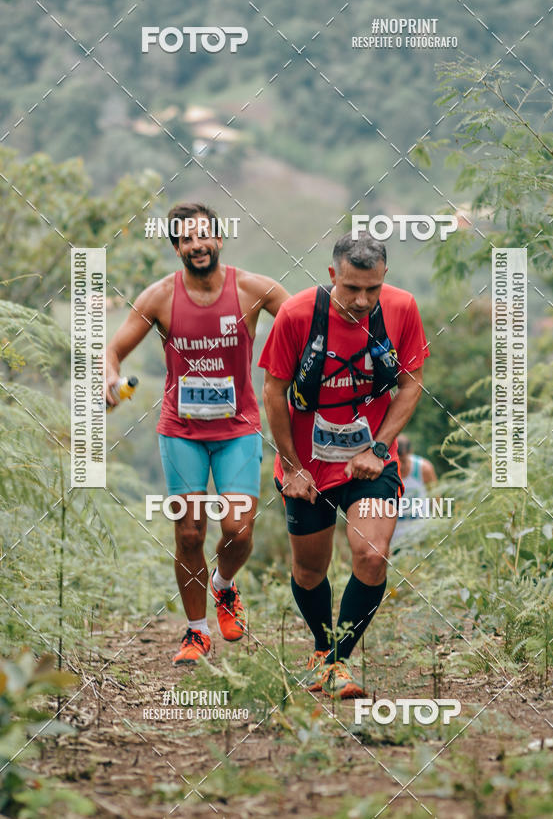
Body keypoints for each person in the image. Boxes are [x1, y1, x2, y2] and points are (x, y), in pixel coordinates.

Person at [106, 203, 289, 665]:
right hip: (181, 431)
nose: (197, 245)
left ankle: (224, 588)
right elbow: (114, 349)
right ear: (176, 247)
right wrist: (110, 379)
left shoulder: (252, 289)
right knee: (189, 534)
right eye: (186, 239)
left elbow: (302, 321)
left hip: (238, 429)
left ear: (219, 239)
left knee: (238, 530)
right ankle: (196, 631)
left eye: (203, 236)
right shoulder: (159, 298)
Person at [259, 231, 429, 698]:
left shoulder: (401, 309)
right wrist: (292, 466)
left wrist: (379, 448)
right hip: (308, 464)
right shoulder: (298, 315)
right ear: (333, 275)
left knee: (372, 556)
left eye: (372, 289)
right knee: (310, 569)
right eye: (352, 288)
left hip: (370, 463)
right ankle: (320, 645)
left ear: (384, 278)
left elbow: (411, 382)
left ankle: (338, 662)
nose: (362, 299)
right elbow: (273, 392)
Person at [390, 435, 438, 547]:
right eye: (397, 460)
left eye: (403, 460)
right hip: (394, 538)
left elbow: (436, 498)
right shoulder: (385, 470)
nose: (400, 466)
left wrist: (435, 527)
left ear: (410, 452)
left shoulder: (424, 469)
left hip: (421, 535)